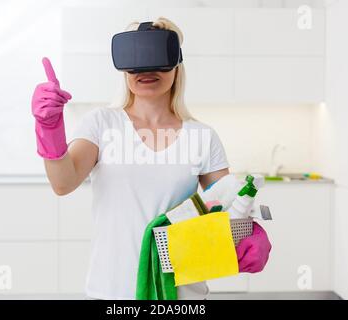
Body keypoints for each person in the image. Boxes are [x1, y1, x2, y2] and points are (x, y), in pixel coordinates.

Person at [31, 17, 271, 300]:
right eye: (136, 59)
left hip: (181, 292)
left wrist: (248, 233)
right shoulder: (101, 123)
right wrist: (49, 129)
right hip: (111, 289)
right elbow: (63, 182)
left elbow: (226, 206)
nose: (146, 70)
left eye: (158, 59)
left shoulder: (202, 136)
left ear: (176, 65)